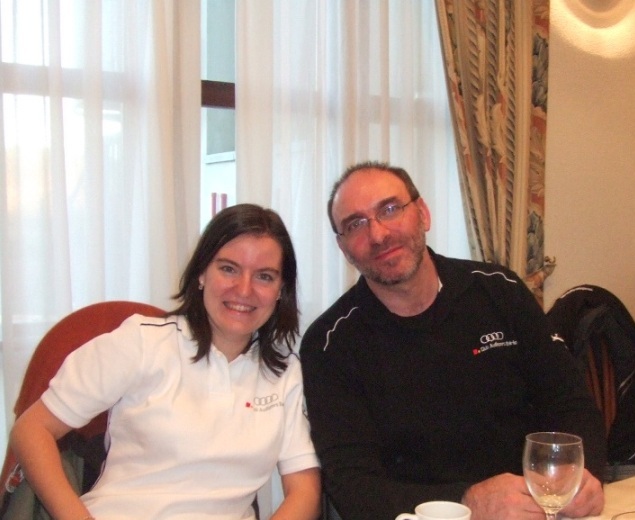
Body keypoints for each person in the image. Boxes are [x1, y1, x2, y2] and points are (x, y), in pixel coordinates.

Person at [299, 161, 606, 520]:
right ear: (343, 247)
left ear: (423, 213)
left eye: (390, 209)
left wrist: (582, 476)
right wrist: (467, 502)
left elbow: (570, 402)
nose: (378, 234)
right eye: (355, 224)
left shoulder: (500, 291)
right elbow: (354, 488)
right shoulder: (330, 345)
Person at [10, 203, 321, 520]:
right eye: (228, 269)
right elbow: (32, 429)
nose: (244, 289)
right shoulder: (142, 342)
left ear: (281, 290)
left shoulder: (285, 373)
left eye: (264, 276)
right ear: (201, 273)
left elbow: (304, 489)